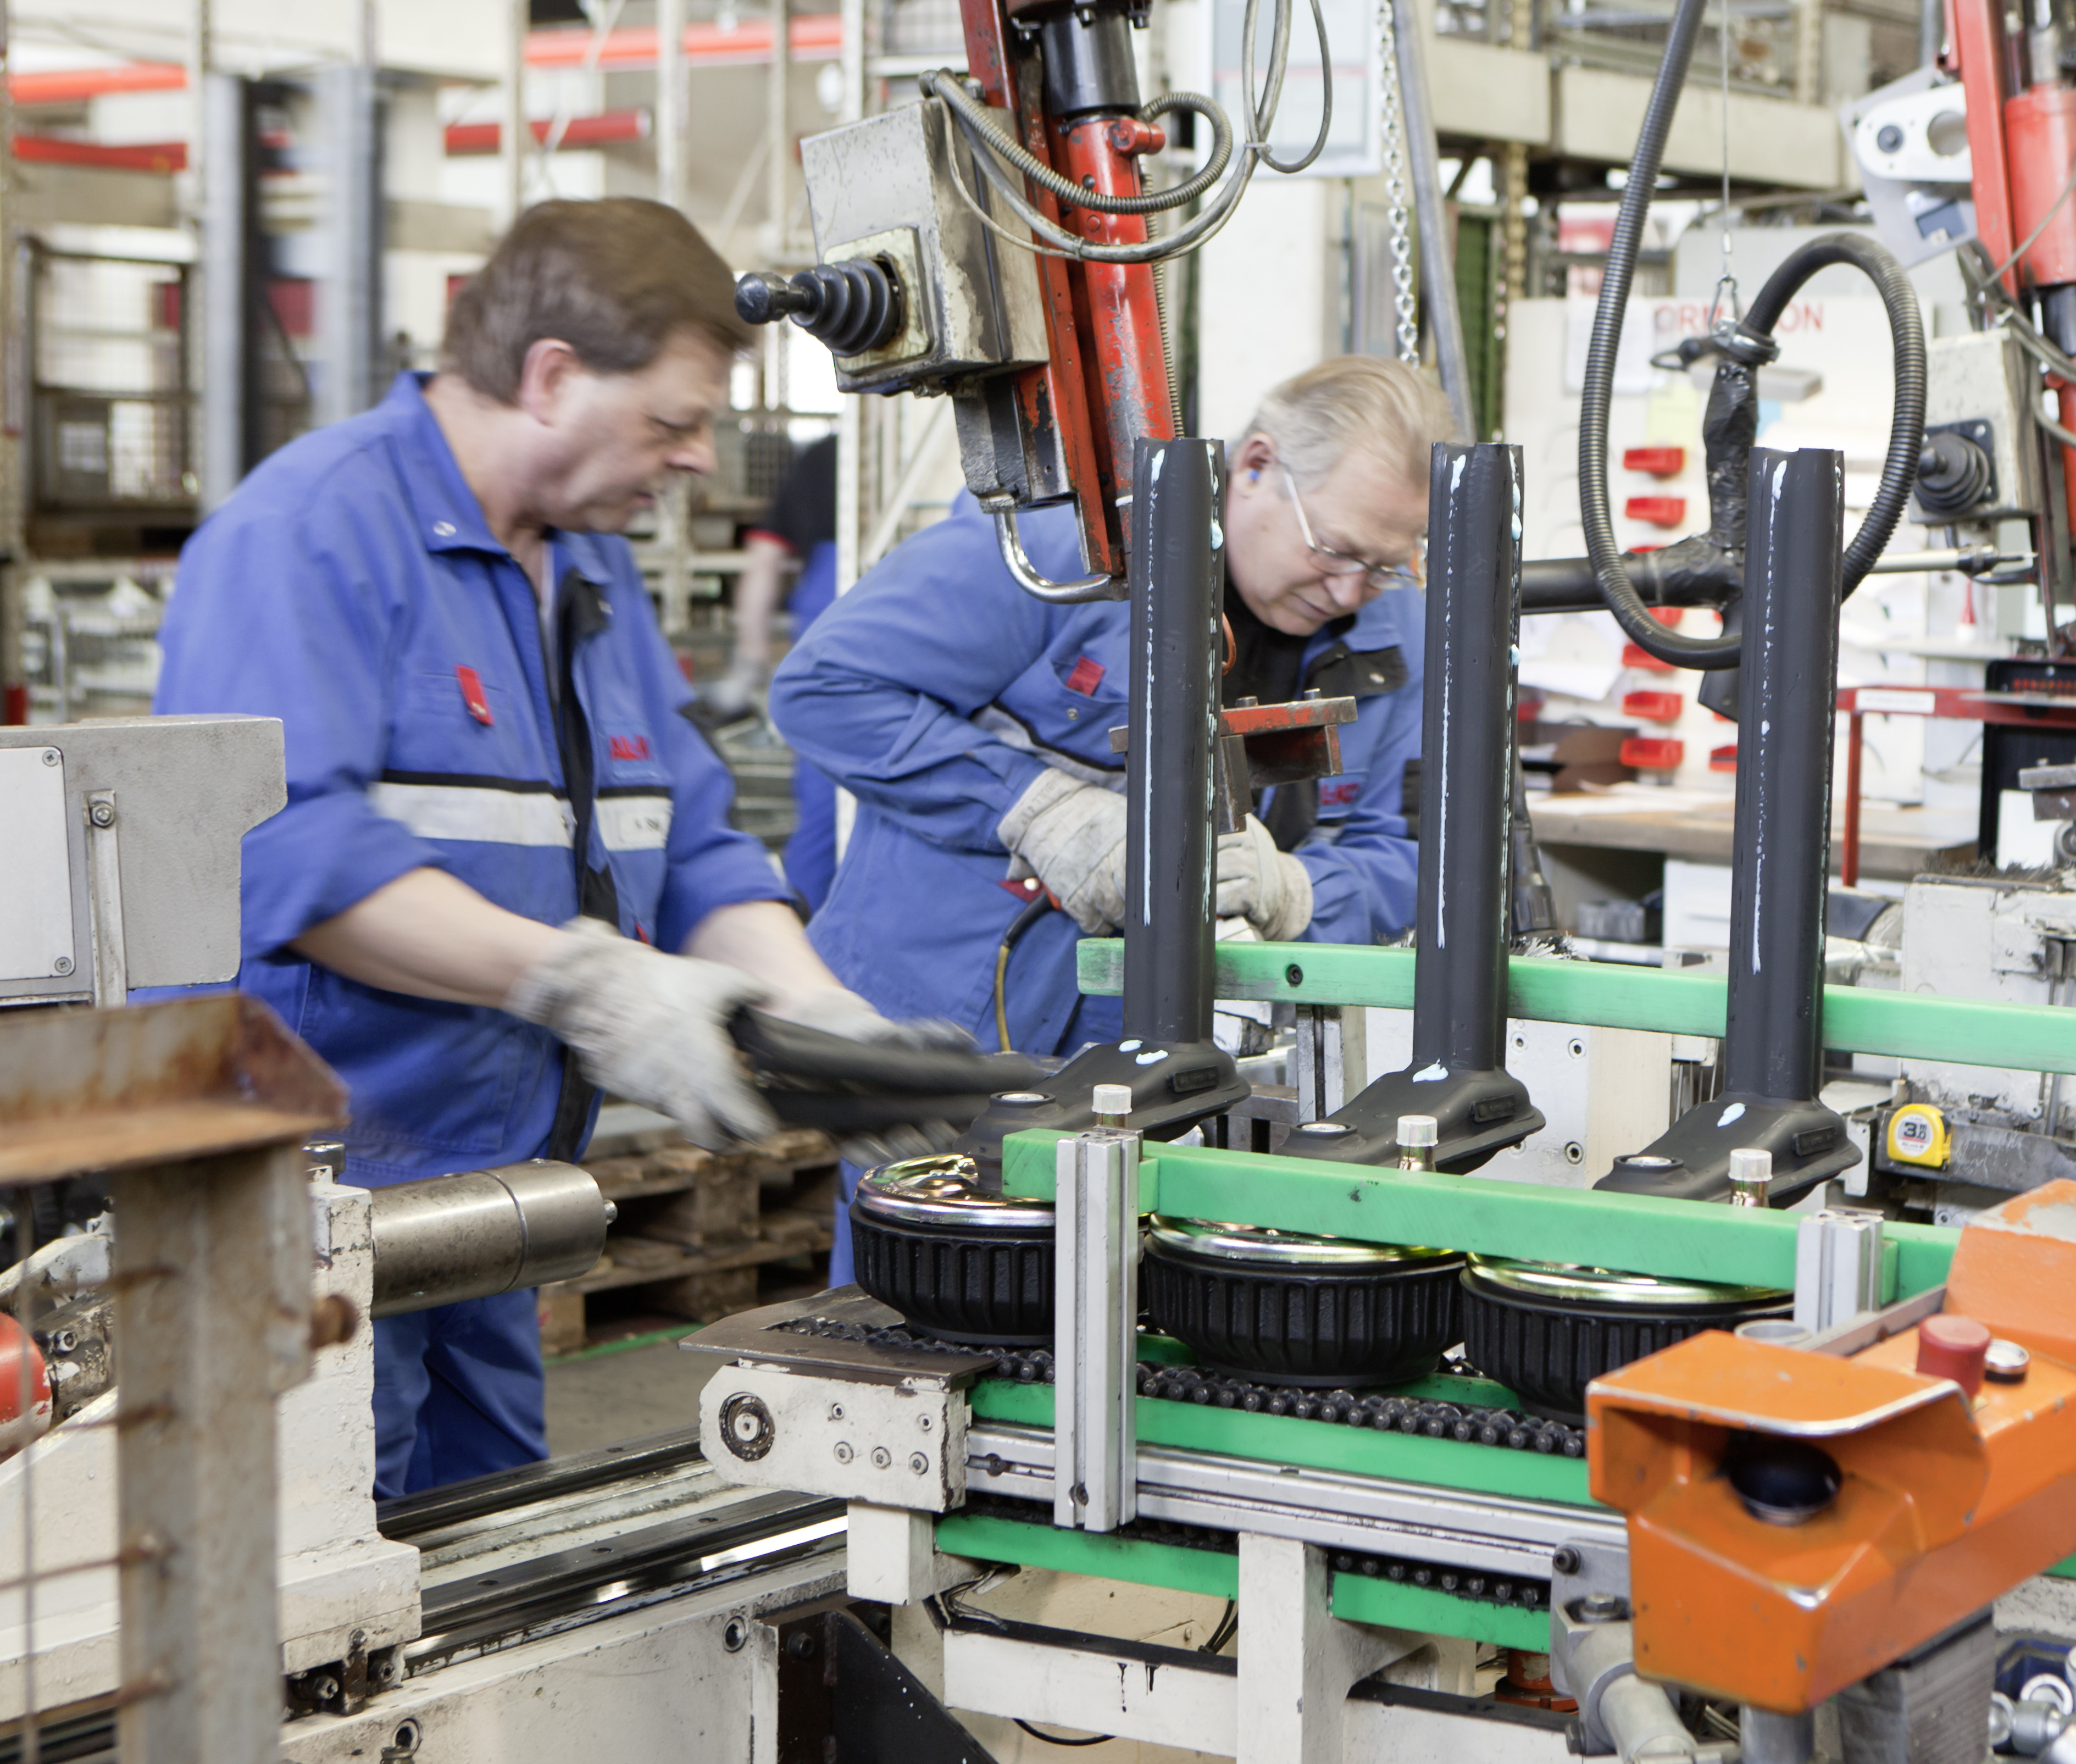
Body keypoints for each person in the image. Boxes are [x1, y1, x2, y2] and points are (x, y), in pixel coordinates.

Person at [152, 200, 956, 1499]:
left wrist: (820, 1016)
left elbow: (687, 835)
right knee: (324, 1578)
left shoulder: (586, 563)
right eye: (674, 420)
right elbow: (285, 852)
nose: (698, 459)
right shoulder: (310, 533)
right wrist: (587, 986)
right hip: (308, 1214)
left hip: (493, 1202)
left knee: (490, 1551)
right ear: (551, 376)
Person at [770, 356, 1448, 1061]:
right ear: (1255, 465)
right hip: (929, 1024)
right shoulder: (1060, 549)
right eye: (1335, 550)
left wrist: (1302, 891)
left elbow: (1417, 858)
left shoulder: (1398, 638)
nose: (1349, 591)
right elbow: (826, 688)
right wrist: (1035, 808)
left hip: (1184, 1053)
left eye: (1386, 567)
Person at [709, 433, 847, 911]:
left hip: (827, 625)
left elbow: (763, 560)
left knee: (823, 798)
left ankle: (807, 926)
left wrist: (748, 663)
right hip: (859, 614)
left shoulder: (824, 453)